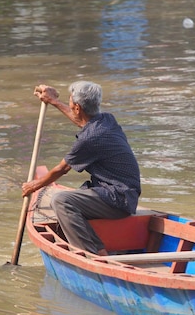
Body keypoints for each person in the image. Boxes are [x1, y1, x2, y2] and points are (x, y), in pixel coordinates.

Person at [21, 81, 141, 256]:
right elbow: (81, 121)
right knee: (71, 201)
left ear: (77, 107)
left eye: (70, 101)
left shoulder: (90, 139)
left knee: (61, 201)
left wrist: (33, 186)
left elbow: (61, 169)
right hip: (124, 194)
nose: (69, 104)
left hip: (118, 200)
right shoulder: (107, 120)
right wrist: (53, 101)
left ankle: (90, 254)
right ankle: (98, 249)